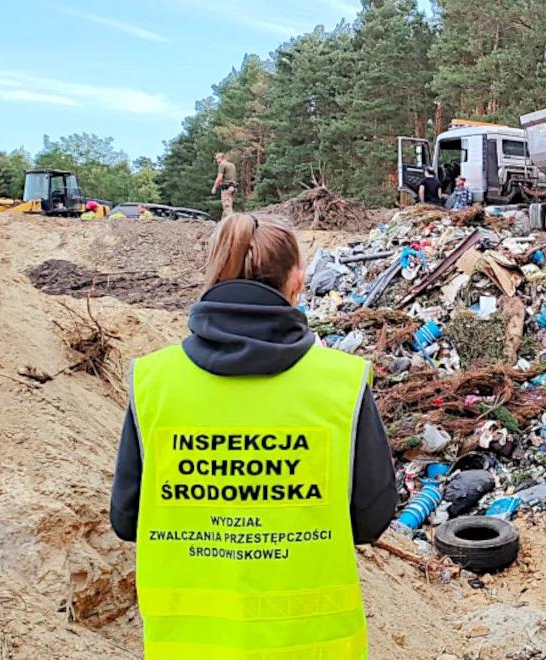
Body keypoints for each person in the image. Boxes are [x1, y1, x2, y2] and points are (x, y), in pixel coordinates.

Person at [109, 213, 397, 659]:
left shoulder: (154, 381)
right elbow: (370, 520)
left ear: (213, 275)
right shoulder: (341, 383)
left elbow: (127, 520)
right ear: (297, 281)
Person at [211, 152, 238, 217]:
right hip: (233, 188)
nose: (217, 161)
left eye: (217, 159)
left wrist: (214, 187)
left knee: (227, 207)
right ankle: (223, 222)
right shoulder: (232, 165)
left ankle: (231, 222)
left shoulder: (222, 165)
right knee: (228, 206)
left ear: (220, 158)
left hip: (226, 188)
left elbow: (219, 177)